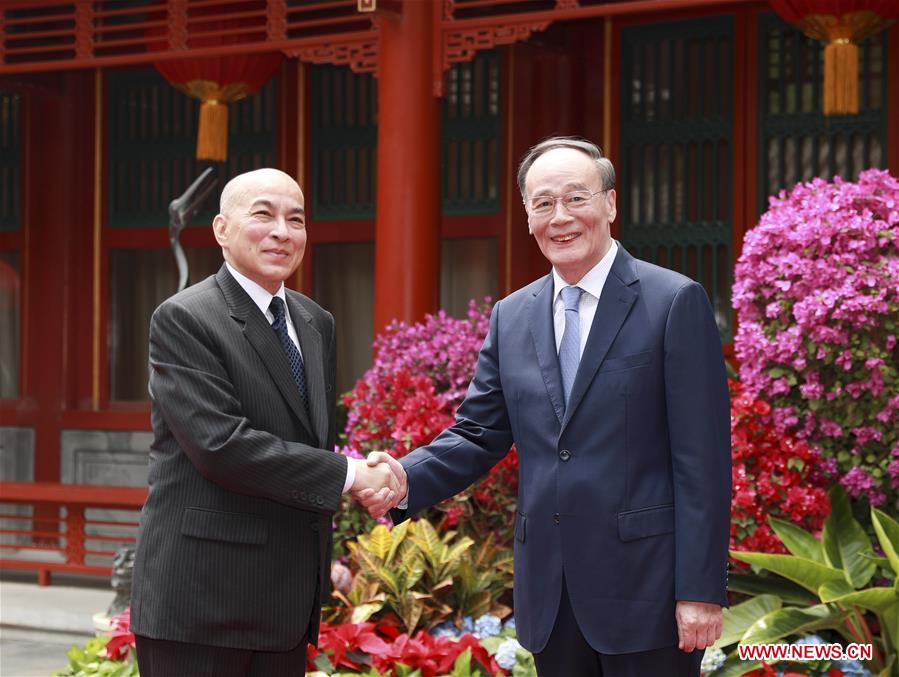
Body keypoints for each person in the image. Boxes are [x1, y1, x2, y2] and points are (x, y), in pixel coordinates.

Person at [358, 137, 732, 677]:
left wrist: (699, 590)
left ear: (610, 204)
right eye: (543, 203)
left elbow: (703, 462)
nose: (561, 217)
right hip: (551, 599)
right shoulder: (513, 315)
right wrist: (402, 476)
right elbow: (477, 433)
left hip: (648, 594)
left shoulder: (673, 301)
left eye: (576, 199)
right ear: (528, 216)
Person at [130, 168, 399, 677]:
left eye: (295, 219)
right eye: (263, 214)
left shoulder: (315, 322)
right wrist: (353, 475)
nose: (282, 231)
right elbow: (221, 446)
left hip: (285, 606)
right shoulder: (185, 317)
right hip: (201, 605)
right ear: (221, 230)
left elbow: (310, 439)